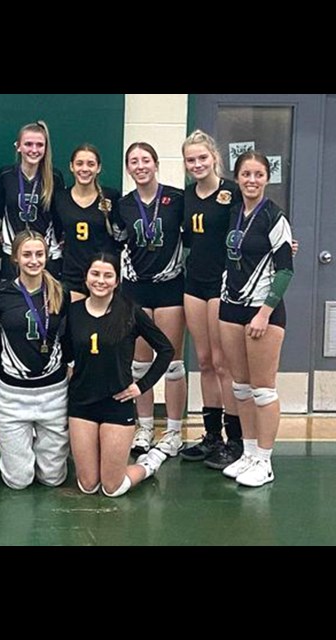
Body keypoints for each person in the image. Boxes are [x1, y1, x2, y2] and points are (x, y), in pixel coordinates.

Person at [67, 253, 174, 497]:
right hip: (81, 404)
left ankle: (149, 463)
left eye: (108, 275)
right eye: (95, 274)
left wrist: (142, 386)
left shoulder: (130, 312)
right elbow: (64, 351)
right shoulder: (73, 312)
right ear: (86, 277)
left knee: (112, 488)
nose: (101, 281)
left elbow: (166, 349)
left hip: (117, 404)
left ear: (117, 281)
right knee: (88, 485)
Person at [218, 152, 294, 487]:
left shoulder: (274, 217)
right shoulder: (234, 211)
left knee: (263, 390)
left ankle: (265, 460)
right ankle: (248, 453)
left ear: (267, 178)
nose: (251, 180)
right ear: (237, 178)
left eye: (258, 174)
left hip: (262, 310)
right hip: (231, 306)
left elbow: (286, 269)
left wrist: (264, 312)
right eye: (246, 174)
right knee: (241, 387)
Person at [114, 142, 187, 457]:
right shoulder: (123, 204)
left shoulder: (178, 200)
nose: (140, 165)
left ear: (156, 164)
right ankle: (144, 427)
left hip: (169, 287)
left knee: (172, 364)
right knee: (140, 365)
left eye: (146, 160)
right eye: (134, 161)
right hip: (135, 290)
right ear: (128, 168)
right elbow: (115, 242)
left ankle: (173, 431)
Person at [0, 231, 71, 489]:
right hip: (12, 396)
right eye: (27, 255)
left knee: (53, 479)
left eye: (39, 254)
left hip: (53, 394)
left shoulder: (61, 292)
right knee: (18, 481)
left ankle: (39, 441)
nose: (33, 260)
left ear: (46, 256)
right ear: (15, 258)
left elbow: (67, 339)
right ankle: (21, 444)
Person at [179, 130, 244, 467]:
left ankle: (235, 440)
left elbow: (256, 222)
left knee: (223, 364)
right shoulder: (187, 197)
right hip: (194, 284)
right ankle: (211, 436)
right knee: (203, 361)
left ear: (215, 158)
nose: (197, 164)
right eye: (191, 159)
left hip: (222, 285)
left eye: (202, 157)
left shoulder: (232, 192)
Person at [53, 143, 121, 301]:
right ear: (71, 166)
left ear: (98, 168)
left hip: (102, 277)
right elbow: (56, 234)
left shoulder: (111, 196)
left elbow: (120, 236)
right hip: (72, 275)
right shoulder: (60, 198)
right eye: (79, 163)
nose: (85, 169)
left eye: (91, 164)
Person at [0, 120, 65, 279]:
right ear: (18, 146)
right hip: (12, 254)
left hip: (46, 255)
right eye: (28, 144)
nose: (34, 150)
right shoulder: (6, 175)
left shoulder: (54, 177)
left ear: (45, 148)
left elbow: (59, 216)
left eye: (39, 145)